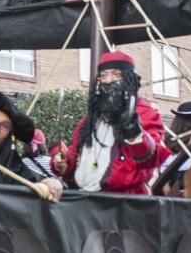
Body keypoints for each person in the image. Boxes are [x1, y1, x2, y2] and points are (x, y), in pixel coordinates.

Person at [53, 50, 170, 194]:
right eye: (103, 75)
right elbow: (76, 153)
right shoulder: (90, 119)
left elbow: (154, 158)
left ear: (128, 79)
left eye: (116, 74)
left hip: (125, 202)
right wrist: (66, 164)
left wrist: (135, 134)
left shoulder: (143, 111)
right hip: (86, 199)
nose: (109, 80)